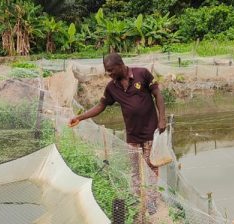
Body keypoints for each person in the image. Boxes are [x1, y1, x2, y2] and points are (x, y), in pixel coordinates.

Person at [69, 53, 166, 214]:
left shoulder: (142, 74)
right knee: (134, 169)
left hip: (150, 133)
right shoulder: (112, 87)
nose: (109, 74)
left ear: (120, 65)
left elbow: (158, 95)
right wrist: (80, 117)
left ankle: (151, 201)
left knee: (151, 168)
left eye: (110, 70)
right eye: (107, 71)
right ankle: (136, 199)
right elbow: (101, 106)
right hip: (132, 136)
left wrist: (162, 118)